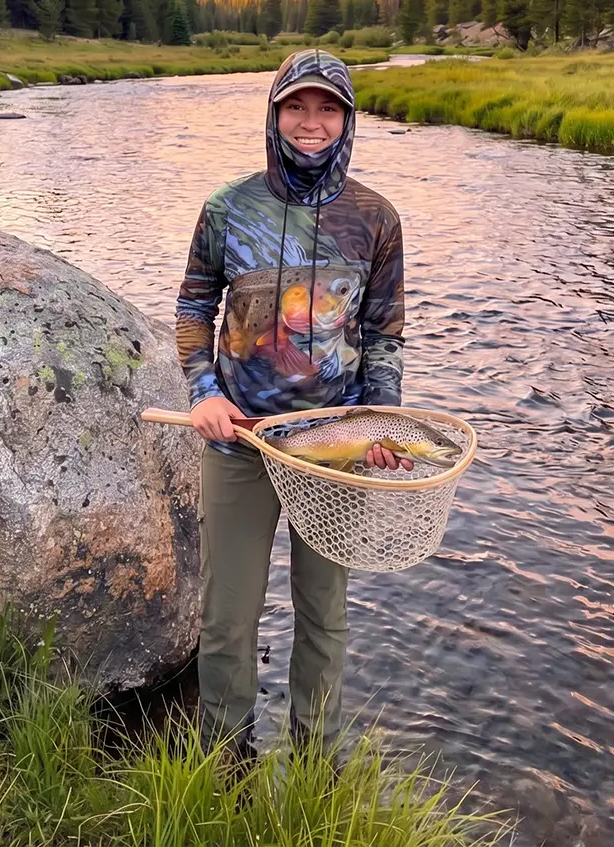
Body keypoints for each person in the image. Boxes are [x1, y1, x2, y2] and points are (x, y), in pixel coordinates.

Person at [175, 47, 407, 760]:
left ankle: (316, 765)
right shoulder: (226, 208)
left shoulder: (376, 218)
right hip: (238, 442)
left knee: (325, 618)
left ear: (347, 119)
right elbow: (192, 306)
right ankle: (225, 762)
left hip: (333, 451)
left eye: (327, 107)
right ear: (274, 113)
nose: (311, 122)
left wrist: (380, 422)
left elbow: (384, 333)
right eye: (297, 106)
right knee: (226, 619)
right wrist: (205, 391)